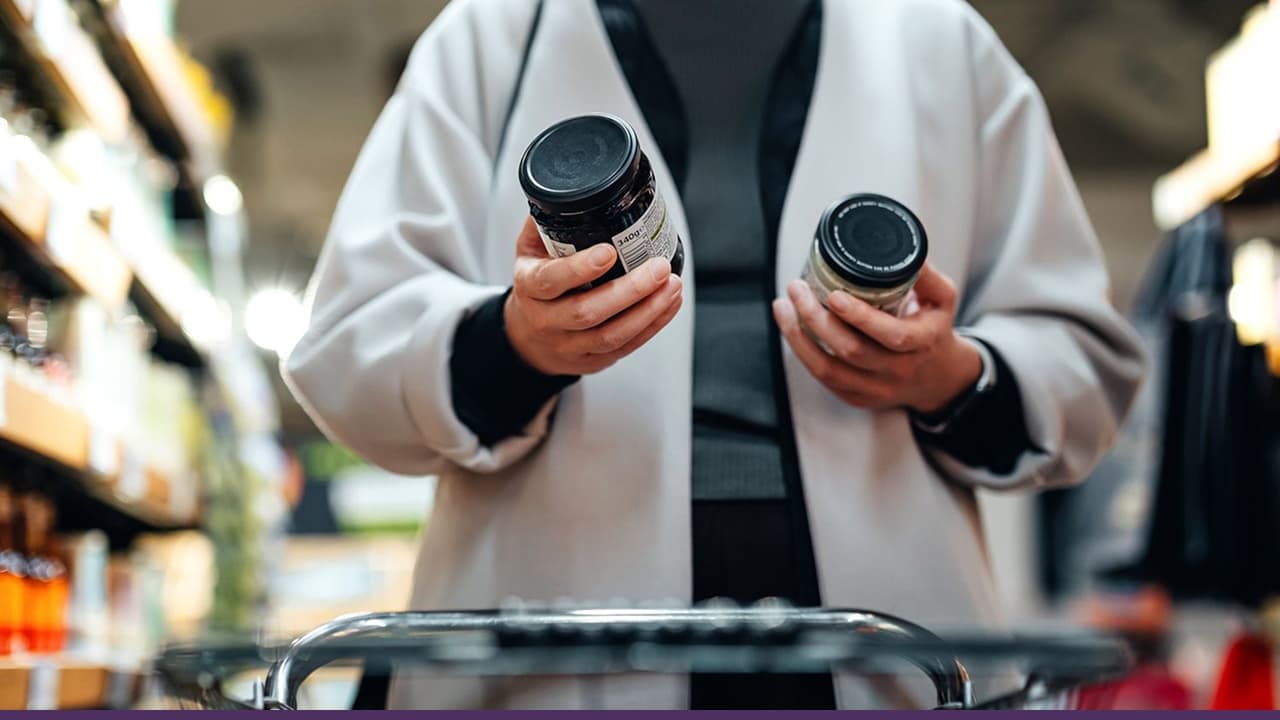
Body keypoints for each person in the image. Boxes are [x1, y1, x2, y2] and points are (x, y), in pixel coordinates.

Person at [284, 0, 1146, 709]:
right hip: (547, 640)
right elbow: (347, 345)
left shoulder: (944, 43)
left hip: (886, 647)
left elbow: (1086, 364)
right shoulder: (488, 36)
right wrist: (512, 345)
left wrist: (947, 376)